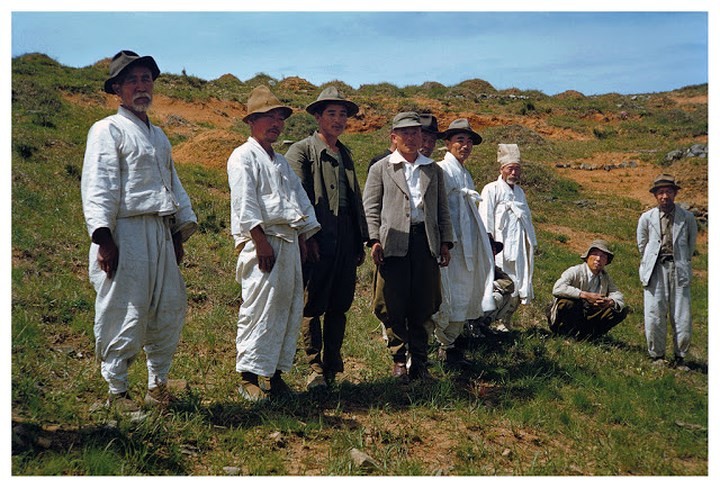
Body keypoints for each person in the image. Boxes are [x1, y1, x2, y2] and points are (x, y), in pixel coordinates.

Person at [81, 50, 198, 411]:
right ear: (117, 88)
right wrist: (104, 239)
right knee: (124, 309)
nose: (141, 86)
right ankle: (117, 392)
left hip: (160, 233)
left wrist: (177, 233)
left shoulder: (159, 136)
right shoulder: (107, 130)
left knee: (168, 307)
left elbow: (171, 184)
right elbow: (98, 183)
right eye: (132, 80)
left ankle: (157, 386)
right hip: (125, 232)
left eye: (146, 78)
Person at [227, 85, 321, 401]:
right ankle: (248, 375)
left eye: (279, 118)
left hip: (289, 242)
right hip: (263, 243)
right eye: (268, 117)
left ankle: (276, 374)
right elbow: (245, 201)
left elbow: (300, 200)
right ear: (252, 120)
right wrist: (260, 241)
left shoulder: (280, 161)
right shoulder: (243, 156)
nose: (276, 124)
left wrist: (307, 236)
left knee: (289, 307)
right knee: (259, 309)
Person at [285, 86, 369, 390]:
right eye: (331, 113)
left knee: (340, 302)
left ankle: (333, 363)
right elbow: (297, 197)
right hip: (318, 235)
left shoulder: (344, 153)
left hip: (346, 238)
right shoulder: (302, 150)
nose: (338, 119)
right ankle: (314, 366)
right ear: (317, 117)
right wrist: (307, 237)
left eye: (343, 114)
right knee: (313, 302)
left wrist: (360, 239)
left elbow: (353, 199)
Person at [363, 111, 454, 382]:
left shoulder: (433, 169)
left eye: (416, 133)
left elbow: (442, 210)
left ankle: (420, 363)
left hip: (425, 242)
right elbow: (371, 207)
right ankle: (399, 360)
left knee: (424, 303)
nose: (412, 138)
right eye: (405, 134)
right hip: (394, 242)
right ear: (394, 137)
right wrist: (374, 239)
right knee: (392, 303)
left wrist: (446, 242)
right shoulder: (382, 168)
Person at [431, 119, 495, 367]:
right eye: (460, 140)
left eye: (469, 141)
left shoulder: (465, 174)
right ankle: (441, 345)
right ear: (447, 143)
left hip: (468, 244)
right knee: (449, 293)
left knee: (465, 291)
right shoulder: (443, 170)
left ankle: (452, 344)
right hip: (451, 244)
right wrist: (444, 241)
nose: (465, 145)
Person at [637, 174, 697, 369]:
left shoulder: (686, 218)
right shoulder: (646, 218)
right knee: (654, 312)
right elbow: (642, 244)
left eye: (668, 192)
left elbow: (690, 245)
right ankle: (657, 355)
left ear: (675, 193)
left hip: (678, 269)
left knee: (681, 314)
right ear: (655, 195)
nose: (665, 196)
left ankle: (680, 357)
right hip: (655, 269)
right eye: (660, 192)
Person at [479, 143, 537, 331]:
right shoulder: (491, 189)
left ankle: (506, 322)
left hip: (519, 246)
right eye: (510, 168)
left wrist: (530, 243)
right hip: (499, 248)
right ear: (501, 170)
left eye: (517, 169)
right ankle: (486, 321)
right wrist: (489, 245)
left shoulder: (520, 193)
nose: (514, 172)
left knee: (519, 282)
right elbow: (485, 217)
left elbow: (526, 218)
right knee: (500, 283)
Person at [547, 239, 628, 339]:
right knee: (567, 303)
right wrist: (584, 295)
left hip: (589, 315)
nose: (598, 259)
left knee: (620, 310)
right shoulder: (575, 271)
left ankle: (590, 335)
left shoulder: (605, 277)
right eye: (595, 254)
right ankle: (564, 333)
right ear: (587, 257)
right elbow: (557, 288)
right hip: (573, 313)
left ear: (606, 261)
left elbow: (617, 295)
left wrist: (610, 301)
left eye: (603, 256)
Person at [367, 112, 438, 173]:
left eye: (432, 141)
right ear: (394, 137)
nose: (427, 145)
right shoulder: (380, 165)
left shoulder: (434, 169)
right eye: (423, 139)